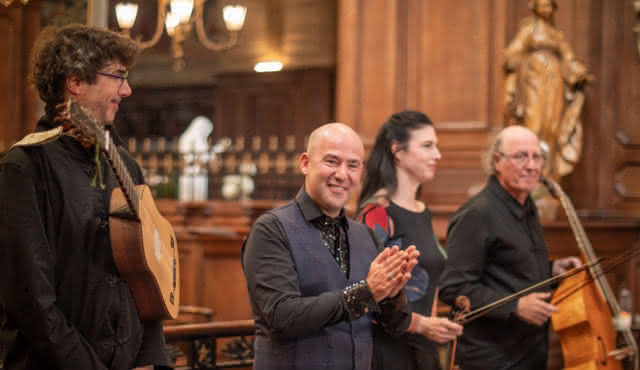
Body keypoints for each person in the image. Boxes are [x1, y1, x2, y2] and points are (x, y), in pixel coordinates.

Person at [0, 24, 171, 369]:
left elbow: (145, 273)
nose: (128, 90)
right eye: (118, 77)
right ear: (75, 82)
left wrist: (150, 358)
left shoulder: (124, 164)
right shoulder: (25, 167)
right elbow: (32, 301)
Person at [242, 122, 420, 370]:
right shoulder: (271, 229)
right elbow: (283, 315)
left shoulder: (365, 235)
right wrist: (367, 292)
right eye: (332, 162)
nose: (342, 174)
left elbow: (397, 326)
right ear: (305, 163)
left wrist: (393, 293)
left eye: (353, 165)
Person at [438, 125, 580, 370]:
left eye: (537, 157)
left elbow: (508, 271)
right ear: (497, 161)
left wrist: (552, 269)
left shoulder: (527, 205)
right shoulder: (477, 214)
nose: (531, 165)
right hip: (491, 358)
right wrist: (515, 307)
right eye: (520, 156)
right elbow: (454, 288)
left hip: (529, 353)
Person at [357, 111, 462, 370]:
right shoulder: (376, 212)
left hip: (424, 347)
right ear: (398, 151)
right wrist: (423, 325)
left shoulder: (422, 211)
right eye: (427, 145)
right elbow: (366, 296)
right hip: (388, 351)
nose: (437, 154)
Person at [504, 0, 594, 180]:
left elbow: (568, 58)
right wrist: (517, 61)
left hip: (554, 83)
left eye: (549, 5)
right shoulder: (529, 30)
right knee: (534, 124)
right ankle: (527, 172)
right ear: (535, 7)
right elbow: (513, 53)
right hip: (533, 81)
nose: (546, 9)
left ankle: (547, 174)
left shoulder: (556, 35)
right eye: (542, 5)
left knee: (552, 127)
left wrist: (578, 74)